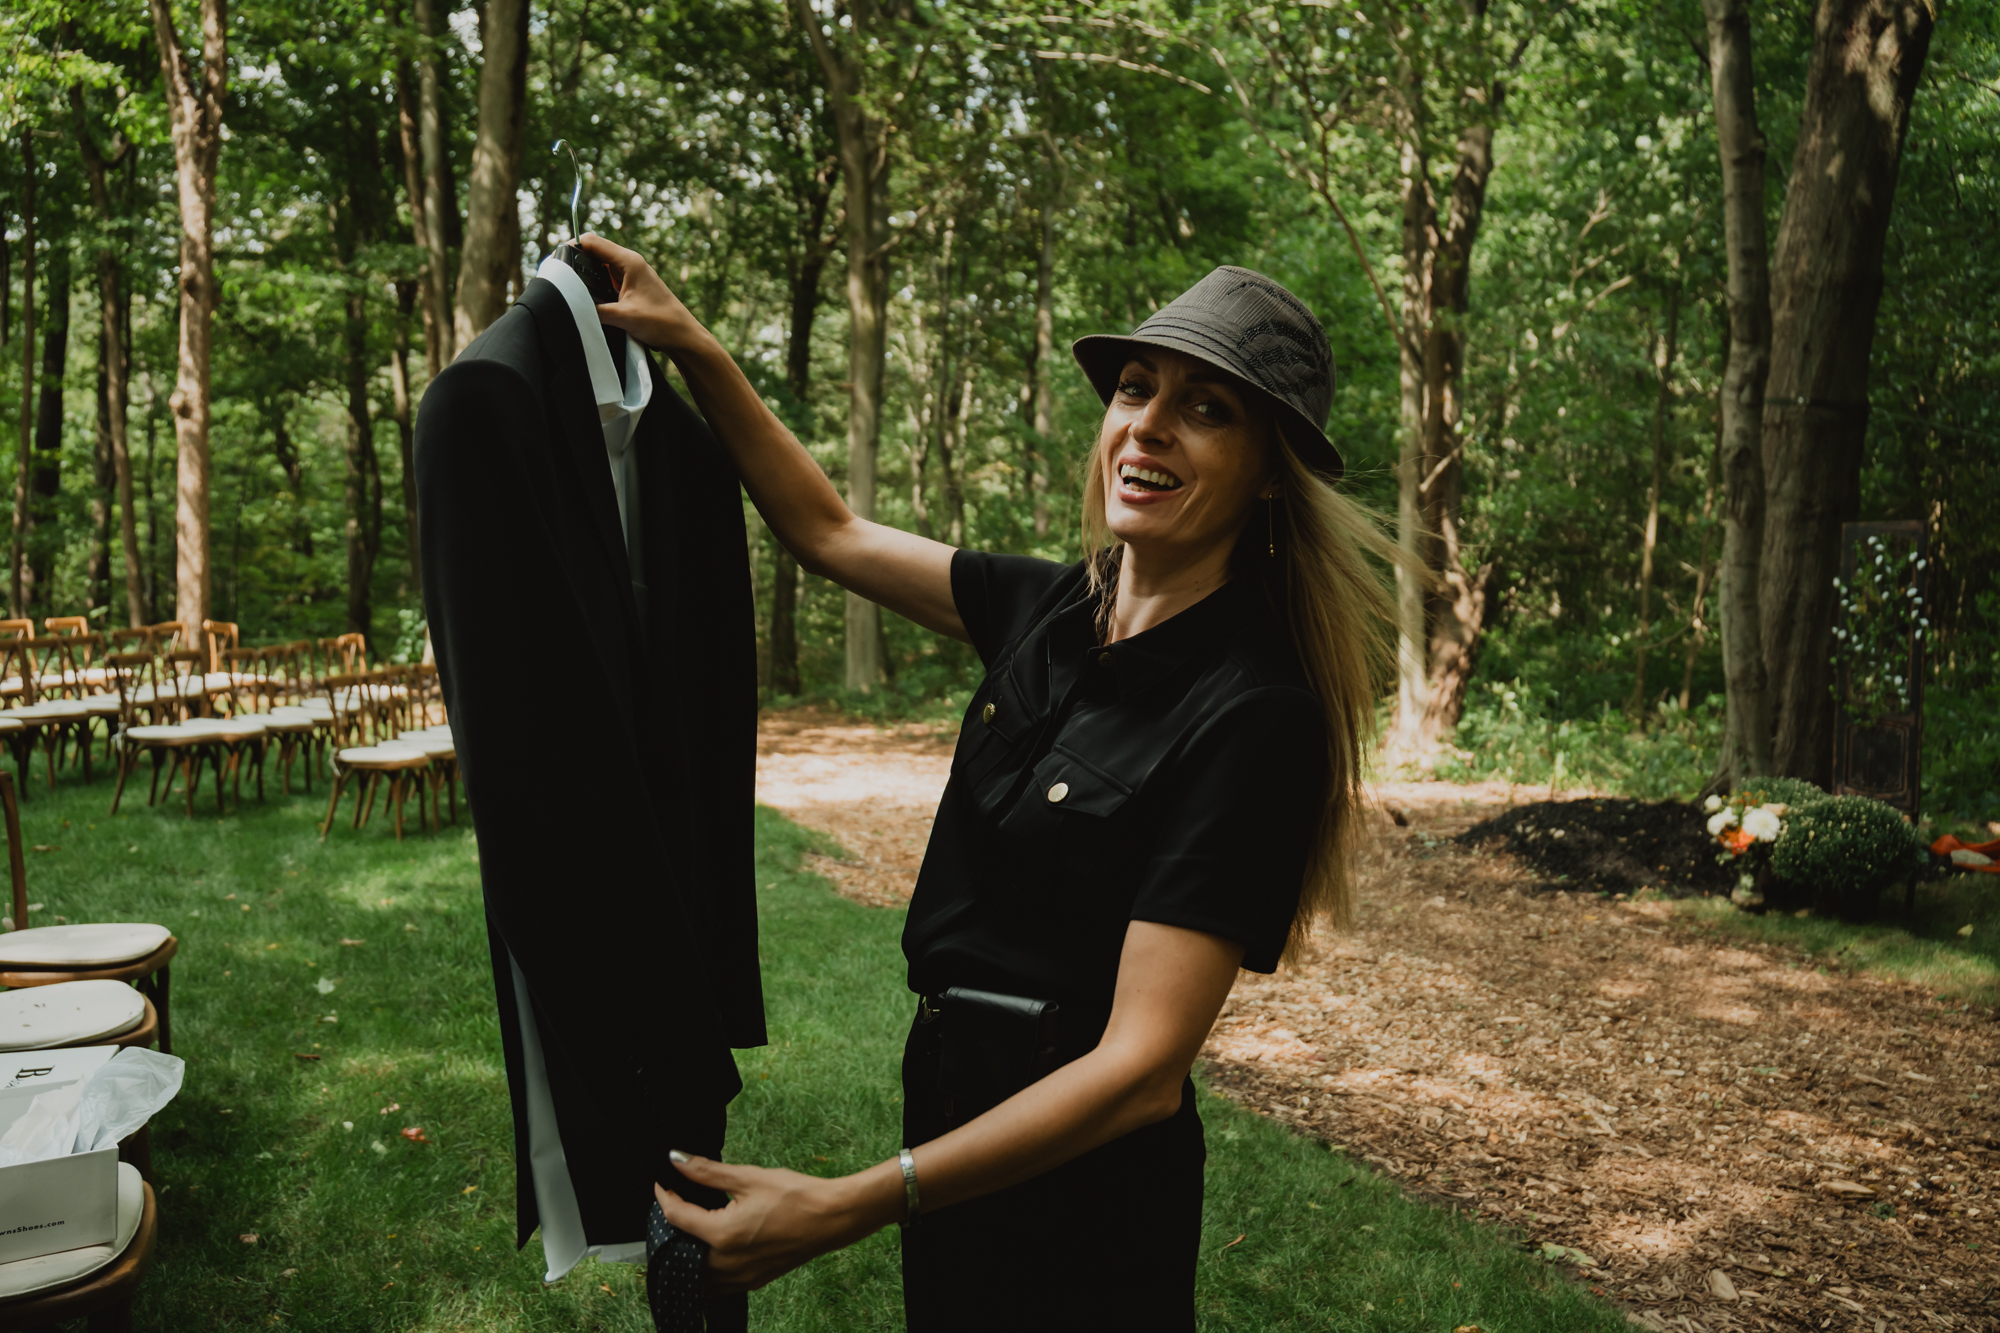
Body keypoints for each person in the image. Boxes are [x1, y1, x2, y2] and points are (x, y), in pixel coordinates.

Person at [583, 236, 1398, 1330]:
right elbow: (826, 529)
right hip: (956, 1103)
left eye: (1206, 408)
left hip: (1087, 1176)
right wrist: (688, 343)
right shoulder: (1051, 611)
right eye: (1133, 388)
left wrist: (847, 1204)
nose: (1146, 423)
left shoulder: (1254, 712)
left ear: (1267, 471)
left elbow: (1142, 1068)